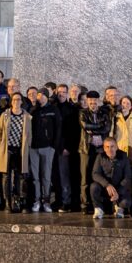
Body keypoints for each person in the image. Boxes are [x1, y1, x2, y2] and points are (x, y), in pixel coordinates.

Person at [0, 92, 32, 213]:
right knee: (6, 177)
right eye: (14, 99)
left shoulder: (27, 116)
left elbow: (29, 134)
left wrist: (28, 146)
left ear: (22, 101)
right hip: (7, 150)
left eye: (18, 99)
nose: (16, 102)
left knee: (20, 177)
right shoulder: (5, 115)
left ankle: (19, 202)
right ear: (11, 101)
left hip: (20, 150)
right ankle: (7, 203)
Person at [78, 90, 112, 214]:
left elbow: (107, 128)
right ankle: (85, 204)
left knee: (100, 176)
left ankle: (99, 203)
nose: (93, 103)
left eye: (95, 101)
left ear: (98, 101)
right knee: (85, 177)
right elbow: (85, 125)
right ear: (87, 101)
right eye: (90, 101)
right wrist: (99, 127)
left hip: (101, 149)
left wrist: (94, 131)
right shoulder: (82, 112)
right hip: (86, 148)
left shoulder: (105, 112)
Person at [29, 88, 62, 213]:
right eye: (39, 95)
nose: (40, 97)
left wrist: (54, 146)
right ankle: (37, 200)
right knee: (35, 176)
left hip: (48, 147)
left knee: (46, 176)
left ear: (47, 97)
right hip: (33, 147)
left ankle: (46, 200)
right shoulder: (33, 110)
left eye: (43, 95)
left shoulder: (53, 110)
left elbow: (58, 128)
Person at [90, 137, 132, 219]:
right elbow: (95, 174)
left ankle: (119, 209)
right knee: (93, 187)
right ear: (104, 148)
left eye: (112, 146)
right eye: (107, 147)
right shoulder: (100, 157)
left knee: (126, 203)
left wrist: (117, 192)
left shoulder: (123, 156)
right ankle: (99, 209)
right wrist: (107, 185)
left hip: (119, 189)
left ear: (116, 147)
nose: (110, 149)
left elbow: (128, 177)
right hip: (105, 188)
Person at [54, 83, 79, 212]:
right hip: (53, 147)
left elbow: (73, 131)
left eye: (64, 92)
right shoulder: (53, 107)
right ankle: (58, 200)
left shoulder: (72, 109)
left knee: (65, 176)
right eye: (60, 92)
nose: (62, 94)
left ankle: (66, 201)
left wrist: (67, 147)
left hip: (64, 148)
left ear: (67, 93)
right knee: (55, 177)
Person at [114, 95, 132, 160]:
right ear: (120, 104)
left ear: (130, 106)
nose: (125, 105)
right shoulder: (115, 118)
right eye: (123, 103)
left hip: (131, 150)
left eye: (128, 103)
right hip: (118, 149)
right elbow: (111, 134)